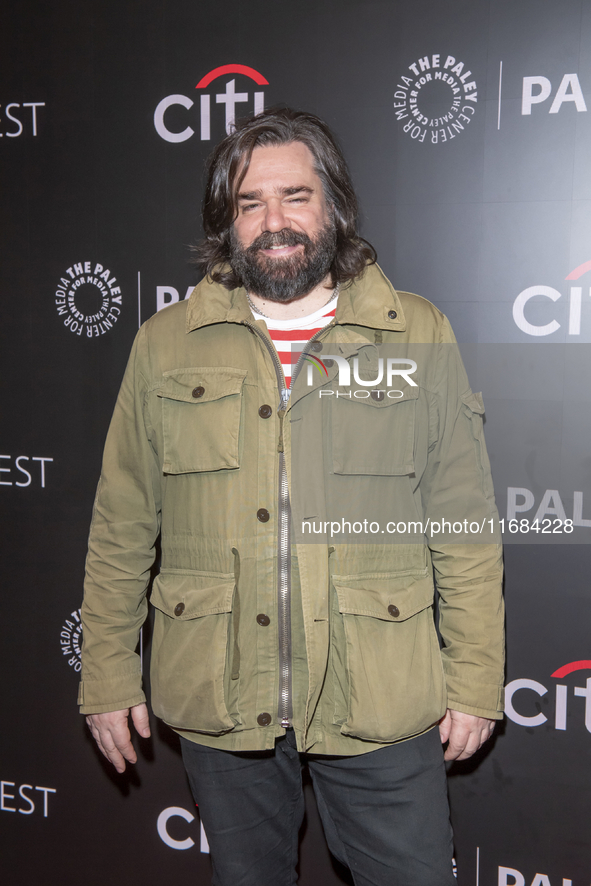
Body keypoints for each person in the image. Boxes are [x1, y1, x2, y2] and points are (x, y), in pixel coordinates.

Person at [80, 107, 504, 886]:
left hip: (377, 697)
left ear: (333, 206)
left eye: (295, 196)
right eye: (249, 204)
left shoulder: (415, 332)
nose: (274, 222)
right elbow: (123, 521)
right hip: (221, 696)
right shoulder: (165, 343)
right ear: (226, 222)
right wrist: (106, 672)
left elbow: (463, 525)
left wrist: (475, 679)